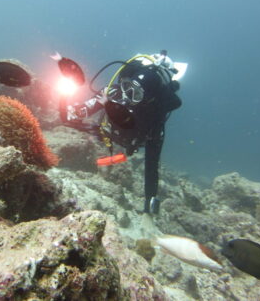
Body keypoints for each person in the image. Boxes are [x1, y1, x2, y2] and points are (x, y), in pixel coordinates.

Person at [59, 51, 185, 214]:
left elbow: (152, 166)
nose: (127, 95)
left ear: (149, 98)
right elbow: (79, 112)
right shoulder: (113, 92)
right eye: (126, 86)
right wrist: (63, 100)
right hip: (101, 136)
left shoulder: (154, 123)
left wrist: (150, 202)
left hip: (123, 150)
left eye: (136, 94)